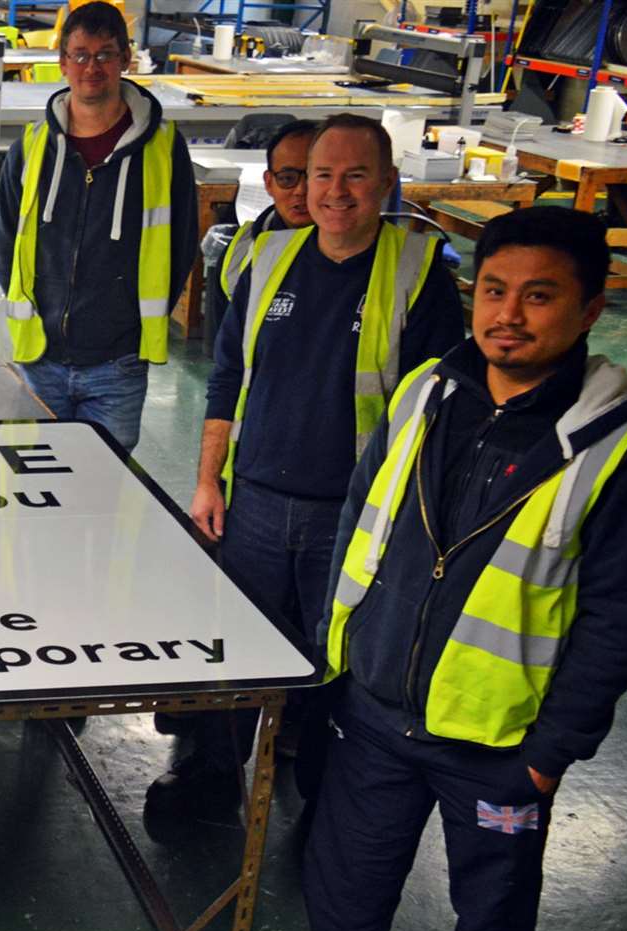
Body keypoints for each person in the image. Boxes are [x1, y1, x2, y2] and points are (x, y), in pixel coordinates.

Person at [278, 207, 627, 931]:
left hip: (500, 744)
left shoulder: (613, 447)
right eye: (496, 290)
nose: (507, 314)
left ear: (591, 309)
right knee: (346, 875)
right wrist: (338, 665)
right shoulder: (423, 395)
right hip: (375, 711)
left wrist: (550, 754)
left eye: (540, 296)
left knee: (495, 911)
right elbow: (359, 527)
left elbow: (619, 615)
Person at [147, 114, 465, 816]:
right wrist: (206, 480)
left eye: (356, 175)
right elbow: (227, 379)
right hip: (253, 503)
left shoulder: (417, 274)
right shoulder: (268, 260)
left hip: (351, 517)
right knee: (234, 644)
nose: (336, 191)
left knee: (334, 667)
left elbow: (436, 418)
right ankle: (210, 780)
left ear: (386, 183)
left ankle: (322, 800)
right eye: (323, 174)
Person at [0, 0, 197, 454]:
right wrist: (34, 305)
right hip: (39, 356)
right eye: (80, 54)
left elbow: (181, 245)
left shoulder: (161, 147)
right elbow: (5, 236)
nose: (92, 66)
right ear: (63, 62)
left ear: (125, 59)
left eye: (105, 54)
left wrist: (125, 318)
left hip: (117, 364)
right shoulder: (33, 144)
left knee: (108, 494)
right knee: (34, 491)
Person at [210, 119, 316, 317]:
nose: (301, 190)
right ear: (269, 183)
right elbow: (221, 341)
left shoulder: (360, 250)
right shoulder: (239, 254)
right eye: (287, 178)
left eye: (313, 176)